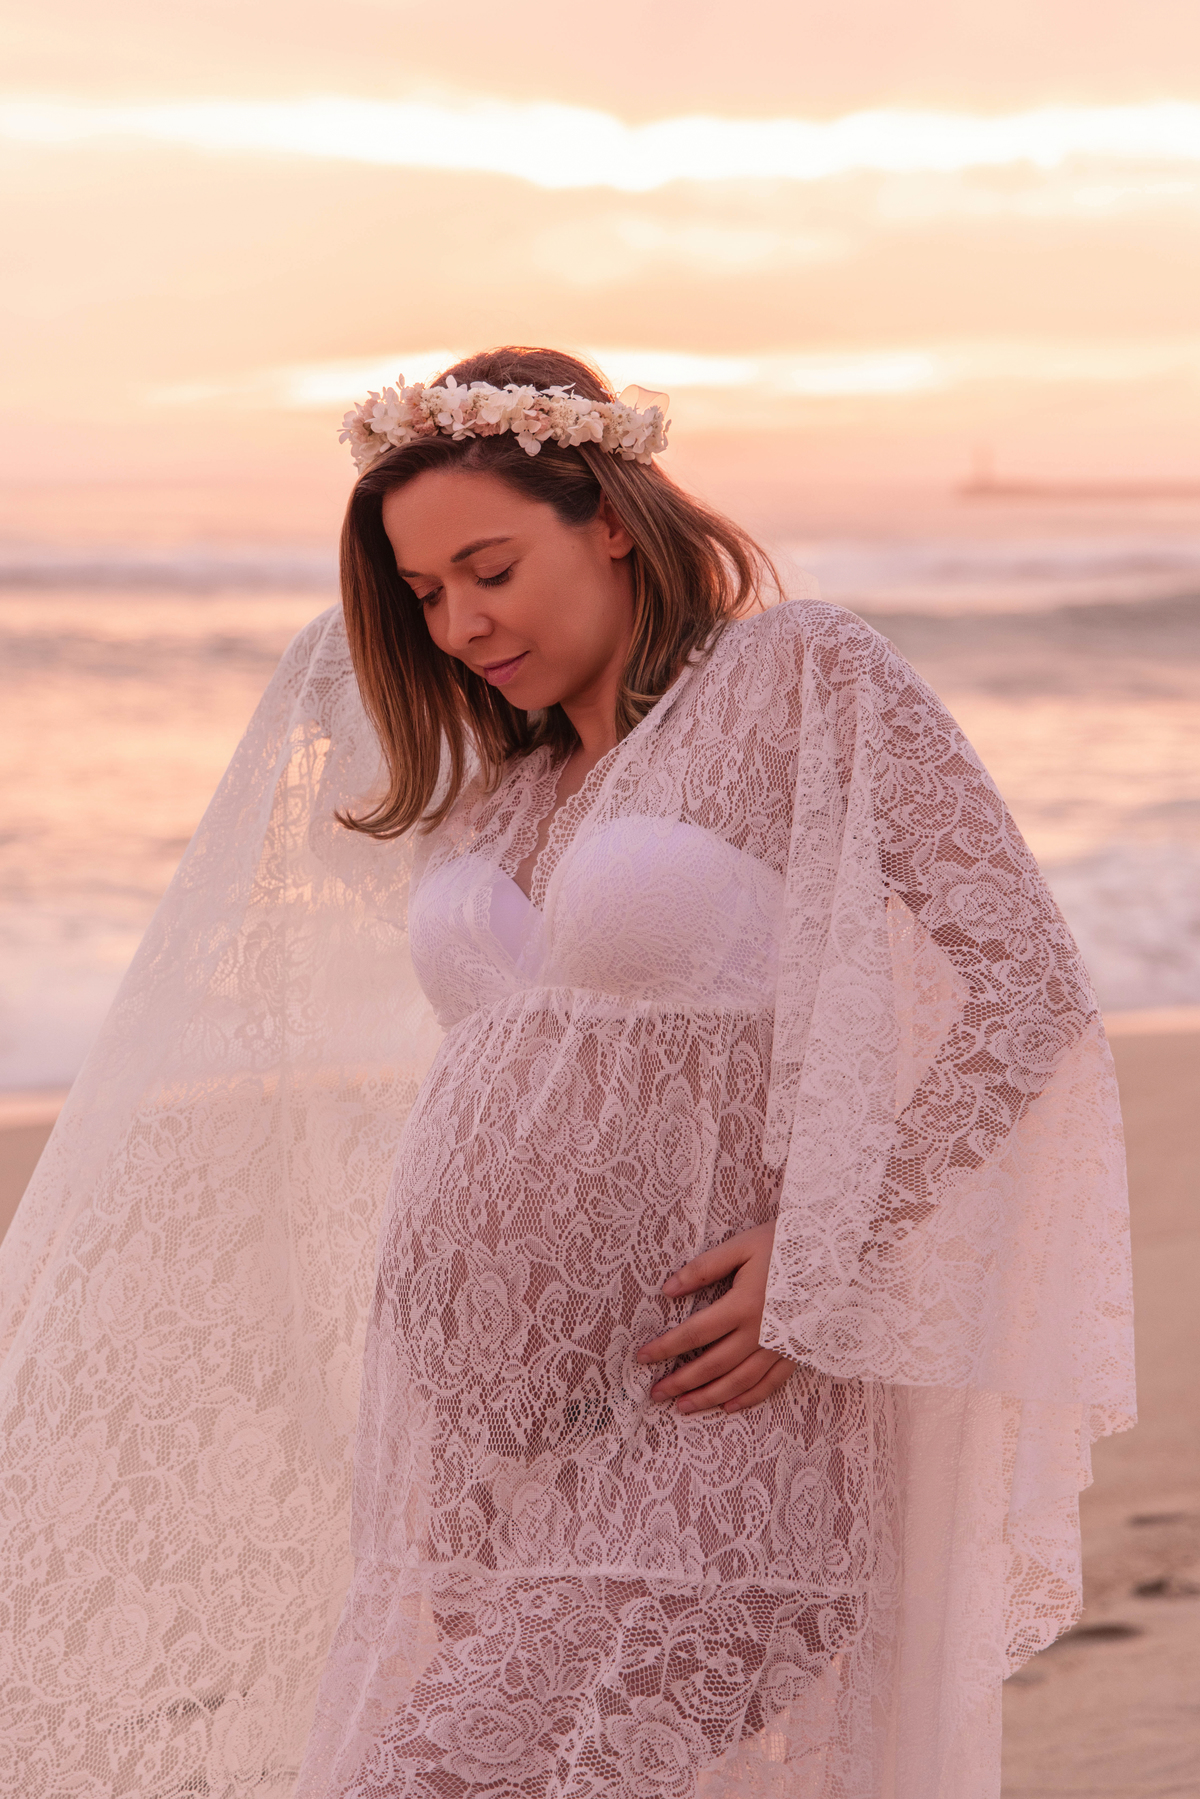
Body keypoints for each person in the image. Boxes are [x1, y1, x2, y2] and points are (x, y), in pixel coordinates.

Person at [0, 347, 1133, 1799]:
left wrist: (834, 1251)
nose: (464, 623)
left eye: (490, 567)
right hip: (481, 1469)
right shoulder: (507, 790)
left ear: (608, 513)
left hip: (729, 1430)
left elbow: (1025, 986)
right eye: (425, 596)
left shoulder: (800, 678)